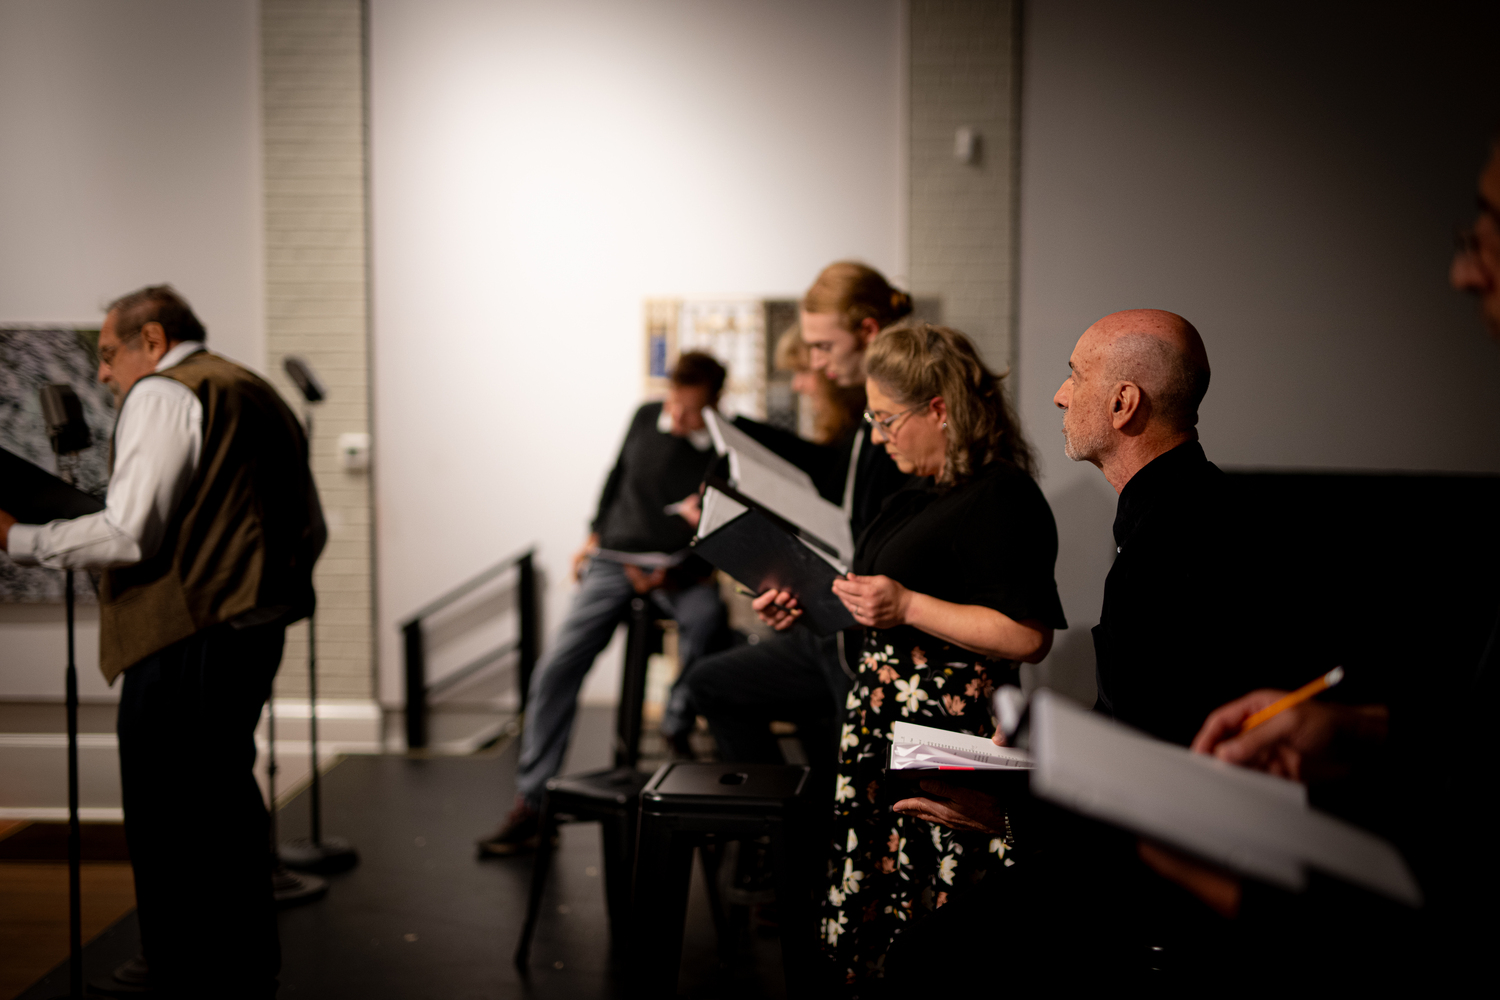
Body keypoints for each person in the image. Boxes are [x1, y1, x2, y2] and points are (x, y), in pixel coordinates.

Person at [0, 286, 325, 1000]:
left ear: (151, 338)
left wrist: (17, 538)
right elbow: (306, 523)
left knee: (167, 806)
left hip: (190, 631)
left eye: (110, 355)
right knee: (219, 796)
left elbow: (127, 531)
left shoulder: (166, 392)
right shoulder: (251, 387)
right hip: (249, 622)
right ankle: (240, 962)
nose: (107, 376)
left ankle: (176, 961)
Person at [770, 322, 1067, 985]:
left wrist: (906, 606)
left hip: (946, 735)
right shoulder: (917, 490)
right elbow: (881, 607)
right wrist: (808, 605)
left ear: (938, 408)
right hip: (884, 725)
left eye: (887, 419)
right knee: (878, 913)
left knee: (935, 917)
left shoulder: (1002, 494)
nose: (878, 436)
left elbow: (1027, 635)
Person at [477, 352, 728, 856]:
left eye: (690, 410)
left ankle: (677, 721)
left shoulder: (723, 444)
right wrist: (592, 539)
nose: (678, 418)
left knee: (709, 620)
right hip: (614, 561)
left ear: (713, 403)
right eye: (675, 403)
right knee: (555, 668)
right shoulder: (642, 415)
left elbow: (723, 526)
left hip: (677, 572)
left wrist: (675, 570)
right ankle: (532, 803)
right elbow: (616, 479)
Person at [682, 263, 912, 773]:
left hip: (868, 639)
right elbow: (840, 502)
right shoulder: (867, 423)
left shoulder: (892, 431)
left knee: (835, 752)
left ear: (869, 332)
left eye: (823, 348)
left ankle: (802, 832)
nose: (814, 366)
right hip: (842, 629)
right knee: (709, 681)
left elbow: (877, 547)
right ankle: (780, 826)